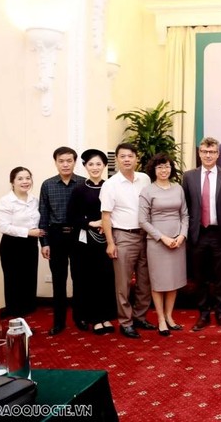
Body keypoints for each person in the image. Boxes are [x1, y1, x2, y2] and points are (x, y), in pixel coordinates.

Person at [101, 142, 156, 339]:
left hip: (146, 235)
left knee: (145, 280)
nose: (126, 159)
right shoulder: (110, 184)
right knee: (123, 284)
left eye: (130, 156)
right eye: (122, 156)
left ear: (136, 159)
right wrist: (110, 243)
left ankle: (140, 316)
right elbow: (106, 216)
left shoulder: (145, 179)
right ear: (117, 159)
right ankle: (126, 322)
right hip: (123, 236)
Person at [182, 137, 221, 332]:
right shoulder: (188, 177)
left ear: (218, 154)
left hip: (219, 233)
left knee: (220, 277)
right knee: (200, 277)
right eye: (204, 151)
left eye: (212, 152)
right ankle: (203, 314)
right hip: (198, 234)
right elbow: (185, 206)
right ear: (199, 153)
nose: (208, 155)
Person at [66, 149, 117, 335]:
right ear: (85, 166)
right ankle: (94, 318)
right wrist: (91, 223)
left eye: (98, 164)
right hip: (85, 242)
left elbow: (117, 210)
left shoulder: (110, 187)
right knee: (88, 280)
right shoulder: (79, 189)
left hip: (107, 239)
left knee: (106, 279)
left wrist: (107, 224)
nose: (95, 167)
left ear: (104, 166)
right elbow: (71, 217)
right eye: (91, 164)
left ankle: (106, 317)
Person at [139, 153, 189, 336]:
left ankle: (169, 316)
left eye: (167, 166)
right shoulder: (147, 191)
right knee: (159, 282)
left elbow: (185, 215)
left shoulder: (178, 188)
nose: (164, 170)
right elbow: (142, 221)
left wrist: (182, 235)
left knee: (173, 281)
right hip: (157, 243)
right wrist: (162, 238)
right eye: (160, 167)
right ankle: (160, 318)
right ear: (153, 169)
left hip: (177, 241)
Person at [39, 146, 86, 335]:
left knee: (80, 278)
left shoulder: (83, 183)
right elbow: (43, 214)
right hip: (56, 235)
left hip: (78, 234)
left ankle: (80, 317)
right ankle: (58, 322)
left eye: (69, 161)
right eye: (61, 161)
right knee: (58, 280)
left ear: (74, 162)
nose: (65, 164)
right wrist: (44, 243)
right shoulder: (47, 185)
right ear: (56, 162)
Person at [0, 167, 44, 318]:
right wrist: (28, 232)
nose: (25, 181)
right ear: (12, 182)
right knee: (14, 282)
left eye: (28, 178)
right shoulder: (5, 201)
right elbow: (3, 227)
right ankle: (15, 316)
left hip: (30, 245)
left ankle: (27, 316)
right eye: (20, 179)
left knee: (29, 280)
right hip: (12, 245)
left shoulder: (34, 200)